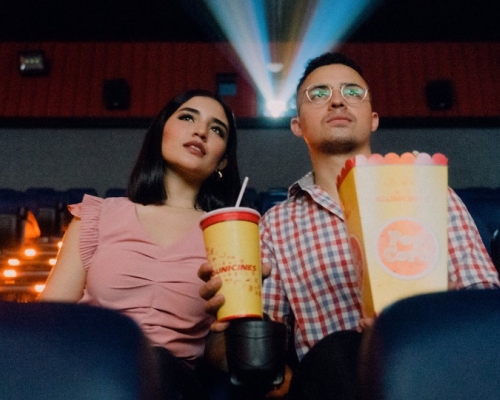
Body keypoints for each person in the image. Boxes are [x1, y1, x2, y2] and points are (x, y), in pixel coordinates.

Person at [199, 52, 500, 399]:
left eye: (353, 92)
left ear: (372, 119)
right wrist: (228, 322)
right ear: (297, 125)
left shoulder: (433, 194)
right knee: (340, 349)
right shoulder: (275, 226)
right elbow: (251, 357)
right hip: (336, 376)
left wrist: (409, 327)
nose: (338, 100)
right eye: (319, 94)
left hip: (437, 366)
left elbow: (485, 304)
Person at [39, 89, 241, 400]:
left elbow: (221, 357)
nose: (200, 131)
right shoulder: (99, 215)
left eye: (217, 129)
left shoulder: (228, 234)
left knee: (155, 362)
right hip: (92, 374)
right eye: (188, 117)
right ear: (161, 133)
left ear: (223, 160)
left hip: (175, 383)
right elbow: (50, 321)